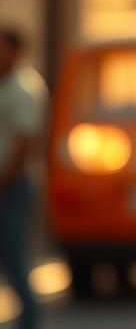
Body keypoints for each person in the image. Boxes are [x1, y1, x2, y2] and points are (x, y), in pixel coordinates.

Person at [0, 24, 49, 329]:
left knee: (14, 254)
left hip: (12, 185)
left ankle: (30, 320)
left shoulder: (25, 88)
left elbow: (25, 143)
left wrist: (4, 181)